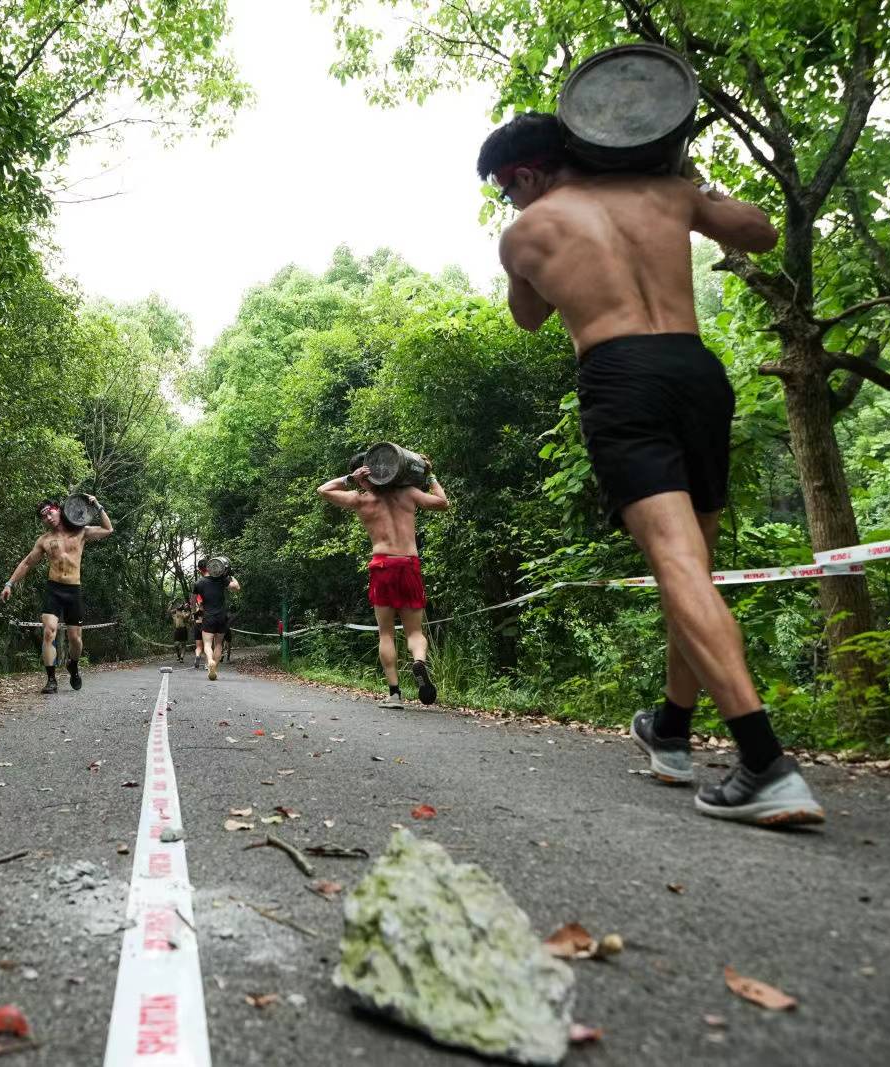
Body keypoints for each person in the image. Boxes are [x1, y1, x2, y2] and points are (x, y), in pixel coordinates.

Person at [479, 111, 824, 826]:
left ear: (524, 176)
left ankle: (764, 762)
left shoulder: (524, 232)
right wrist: (695, 185)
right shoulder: (664, 191)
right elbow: (760, 232)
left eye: (506, 189)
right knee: (692, 562)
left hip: (620, 375)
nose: (509, 203)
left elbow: (527, 317)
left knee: (675, 563)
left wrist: (533, 262)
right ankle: (671, 725)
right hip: (696, 372)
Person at [317, 459, 448, 708]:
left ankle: (394, 694)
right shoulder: (408, 494)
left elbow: (323, 490)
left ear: (369, 476)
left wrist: (351, 479)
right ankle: (419, 662)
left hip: (382, 566)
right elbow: (443, 503)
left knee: (386, 633)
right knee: (415, 632)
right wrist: (430, 476)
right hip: (408, 564)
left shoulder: (362, 500)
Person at [1, 496, 114, 693]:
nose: (48, 517)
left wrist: (97, 505)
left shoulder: (81, 532)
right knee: (48, 632)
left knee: (76, 640)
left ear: (59, 510)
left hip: (73, 590)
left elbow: (108, 529)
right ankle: (51, 679)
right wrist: (9, 583)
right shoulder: (44, 540)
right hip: (54, 589)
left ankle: (73, 665)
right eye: (43, 517)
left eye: (49, 512)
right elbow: (27, 562)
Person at [193, 560, 240, 681]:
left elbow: (194, 603)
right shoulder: (221, 580)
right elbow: (236, 587)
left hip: (208, 617)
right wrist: (231, 576)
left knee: (207, 644)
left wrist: (197, 613)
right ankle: (214, 668)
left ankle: (209, 661)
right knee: (218, 644)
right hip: (221, 616)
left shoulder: (198, 583)